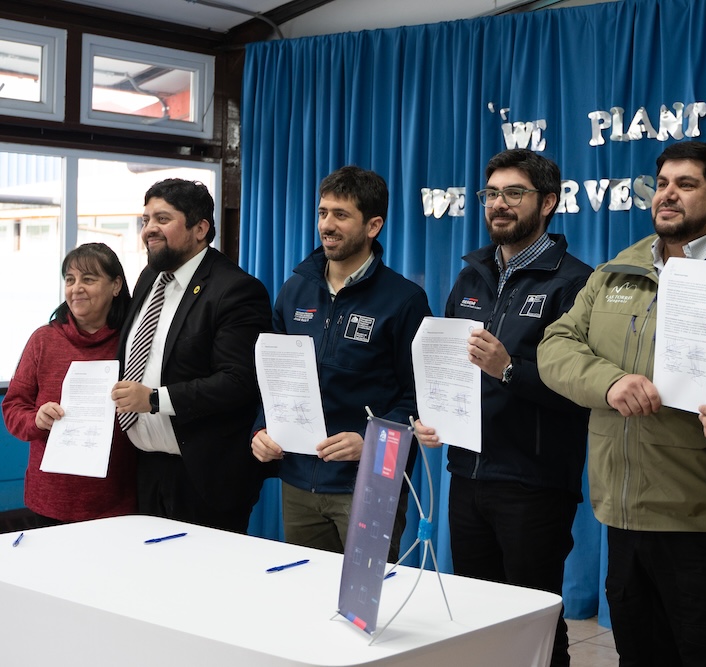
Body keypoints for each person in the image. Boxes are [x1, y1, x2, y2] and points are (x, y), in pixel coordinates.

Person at [538, 141, 706, 666]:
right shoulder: (619, 270)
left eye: (686, 185)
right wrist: (609, 382)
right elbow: (555, 346)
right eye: (662, 184)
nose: (668, 195)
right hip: (625, 516)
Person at [412, 148, 592, 667]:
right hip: (466, 474)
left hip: (533, 481)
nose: (499, 204)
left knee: (532, 622)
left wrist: (509, 369)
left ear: (549, 202)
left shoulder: (574, 282)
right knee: (476, 616)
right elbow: (446, 368)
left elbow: (580, 389)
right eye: (491, 194)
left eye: (514, 193)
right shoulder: (471, 275)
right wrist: (433, 416)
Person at [251, 166, 431, 561]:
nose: (327, 225)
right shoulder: (294, 289)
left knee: (365, 607)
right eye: (322, 213)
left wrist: (371, 440)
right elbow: (276, 381)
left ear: (373, 225)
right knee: (305, 597)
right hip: (298, 479)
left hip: (370, 481)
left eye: (340, 215)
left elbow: (417, 397)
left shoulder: (404, 300)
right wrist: (262, 428)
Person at [110, 179, 272, 533]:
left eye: (162, 219)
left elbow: (238, 382)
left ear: (200, 229)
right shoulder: (149, 277)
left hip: (204, 476)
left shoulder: (236, 290)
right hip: (145, 468)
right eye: (146, 219)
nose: (149, 229)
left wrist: (154, 400)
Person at [3, 243, 136, 525]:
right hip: (50, 498)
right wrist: (36, 420)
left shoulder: (133, 342)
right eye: (70, 279)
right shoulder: (43, 340)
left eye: (88, 279)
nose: (76, 288)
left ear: (115, 285)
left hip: (117, 499)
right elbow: (13, 407)